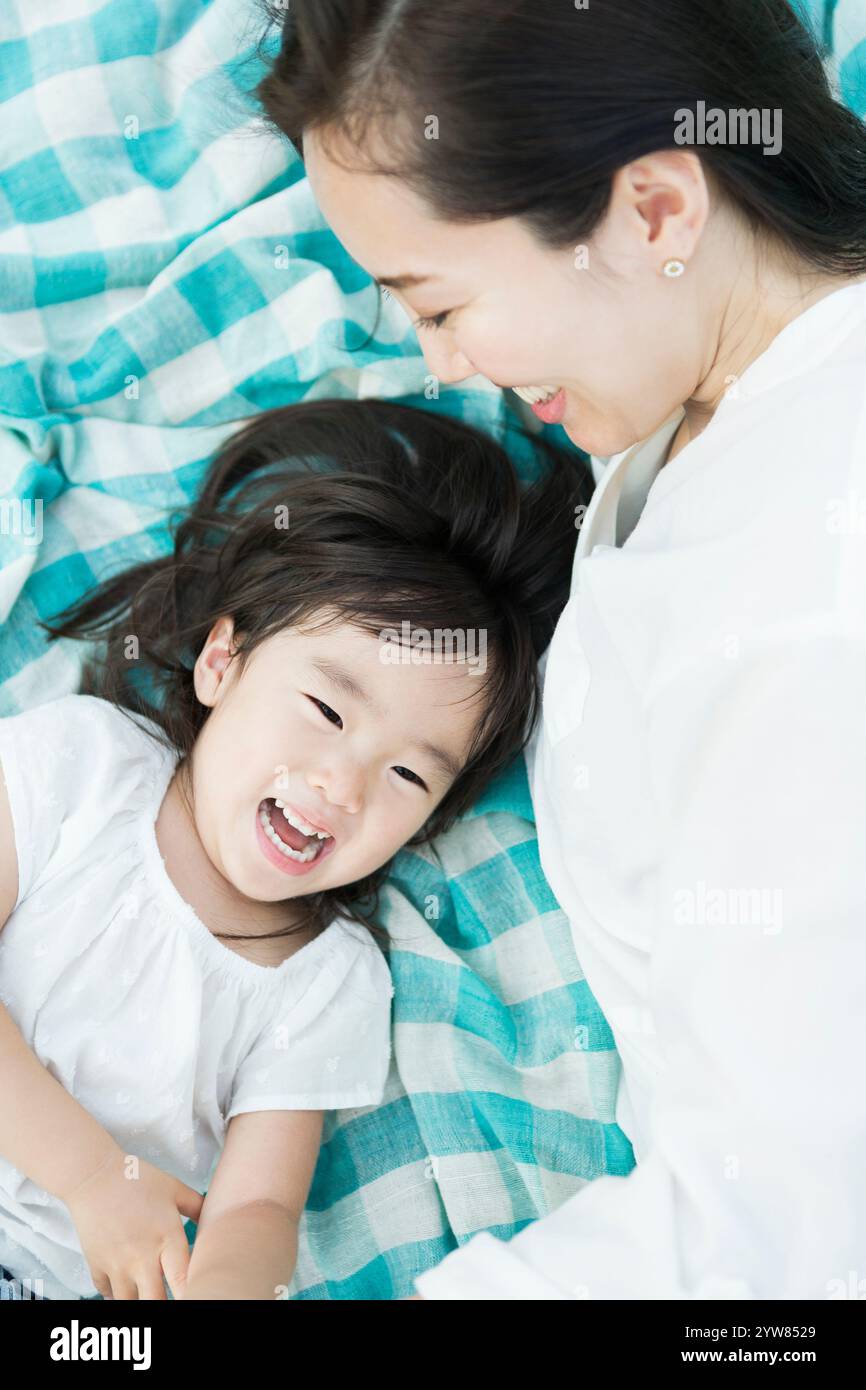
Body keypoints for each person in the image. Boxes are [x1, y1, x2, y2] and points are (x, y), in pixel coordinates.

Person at [256, 0, 866, 1298]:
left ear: (653, 211)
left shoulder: (809, 617)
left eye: (442, 304)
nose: (437, 365)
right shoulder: (692, 375)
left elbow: (786, 1220)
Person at [0, 398, 588, 1300]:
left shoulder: (327, 982)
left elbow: (255, 1213)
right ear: (221, 663)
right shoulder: (81, 765)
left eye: (406, 777)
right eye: (325, 711)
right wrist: (91, 1179)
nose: (341, 786)